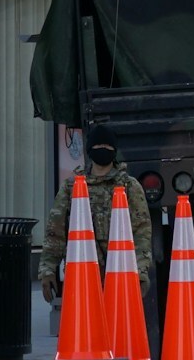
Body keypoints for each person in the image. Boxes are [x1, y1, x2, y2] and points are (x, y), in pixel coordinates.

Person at [38, 125, 155, 306]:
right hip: (82, 274)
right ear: (89, 149)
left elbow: (141, 232)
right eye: (98, 145)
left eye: (107, 147)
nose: (103, 150)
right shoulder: (72, 187)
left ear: (114, 151)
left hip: (120, 271)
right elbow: (56, 231)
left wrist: (140, 271)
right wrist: (47, 269)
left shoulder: (129, 186)